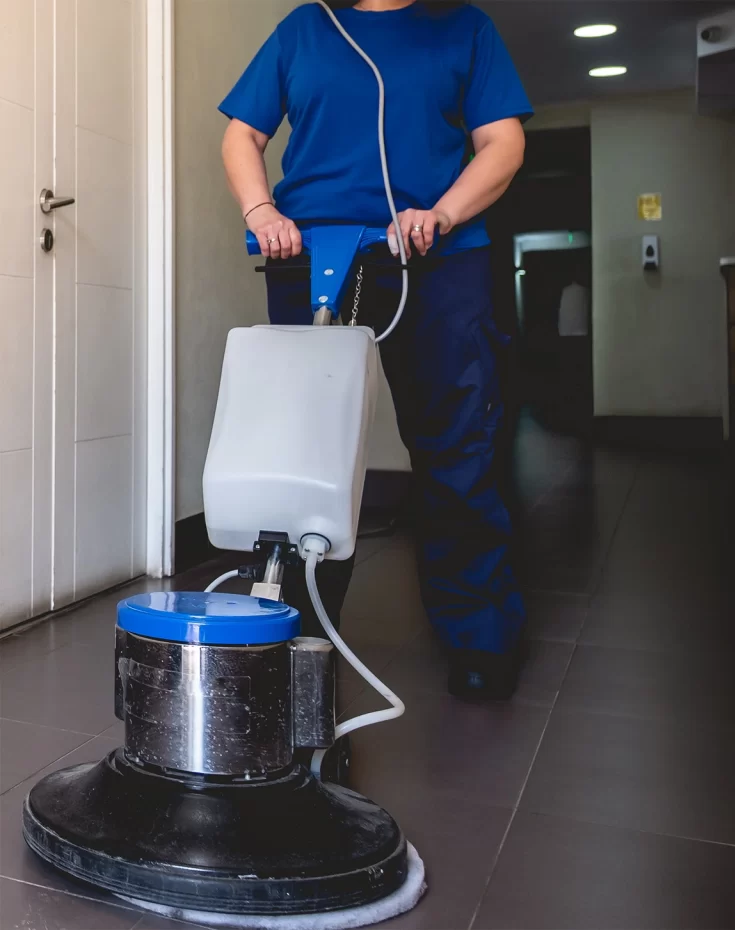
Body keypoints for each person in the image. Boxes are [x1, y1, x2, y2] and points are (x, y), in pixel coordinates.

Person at [219, 0, 533, 701]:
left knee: (456, 444)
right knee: (302, 455)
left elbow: (503, 142)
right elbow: (243, 133)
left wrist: (442, 213)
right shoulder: (304, 29)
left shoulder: (465, 29)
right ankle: (296, 641)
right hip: (313, 256)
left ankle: (479, 635)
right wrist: (262, 211)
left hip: (431, 253)